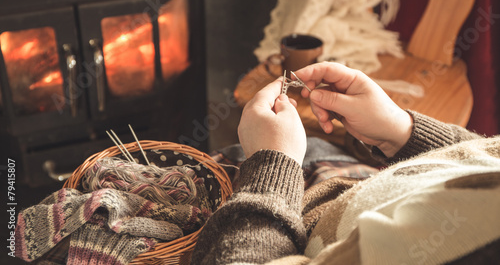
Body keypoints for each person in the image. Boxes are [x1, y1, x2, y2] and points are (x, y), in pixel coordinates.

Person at [191, 62, 500, 264]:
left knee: (234, 157)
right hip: (349, 192)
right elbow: (484, 157)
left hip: (274, 237)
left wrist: (271, 166)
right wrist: (399, 132)